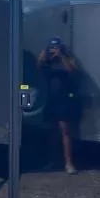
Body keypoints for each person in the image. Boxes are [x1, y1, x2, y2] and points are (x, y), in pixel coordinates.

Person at [37, 37, 78, 174]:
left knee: (65, 130)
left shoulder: (67, 58)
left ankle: (68, 163)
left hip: (64, 99)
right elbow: (37, 71)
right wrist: (42, 58)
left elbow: (72, 70)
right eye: (52, 48)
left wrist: (61, 56)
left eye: (56, 47)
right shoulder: (47, 61)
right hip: (50, 99)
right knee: (51, 131)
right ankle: (53, 161)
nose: (54, 50)